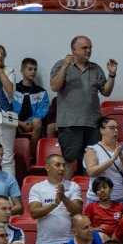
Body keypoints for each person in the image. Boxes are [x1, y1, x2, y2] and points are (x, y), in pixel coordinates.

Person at [49, 36, 117, 176]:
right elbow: (55, 86)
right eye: (84, 48)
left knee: (91, 160)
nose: (88, 51)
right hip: (69, 123)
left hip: (92, 124)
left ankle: (89, 194)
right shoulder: (61, 65)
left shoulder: (96, 68)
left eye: (90, 48)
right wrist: (64, 68)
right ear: (74, 50)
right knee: (68, 160)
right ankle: (68, 194)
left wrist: (112, 75)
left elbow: (106, 92)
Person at [26, 151, 83, 244]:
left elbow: (78, 212)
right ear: (47, 167)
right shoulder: (37, 188)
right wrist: (54, 204)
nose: (62, 168)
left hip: (69, 242)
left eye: (63, 165)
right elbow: (34, 213)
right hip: (46, 243)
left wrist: (63, 197)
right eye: (57, 165)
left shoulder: (73, 186)